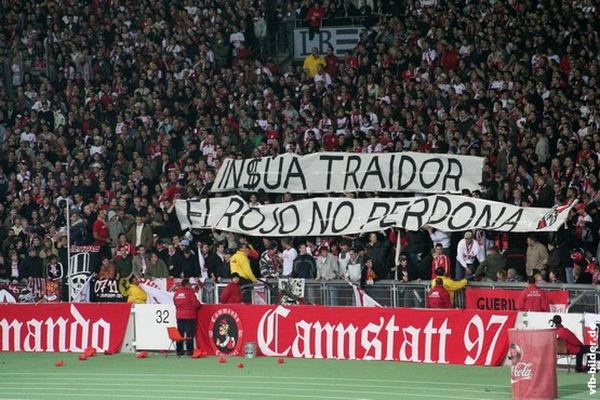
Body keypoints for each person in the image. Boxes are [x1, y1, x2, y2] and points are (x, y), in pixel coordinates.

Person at [173, 278, 201, 356]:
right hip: (189, 316)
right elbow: (195, 304)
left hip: (179, 316)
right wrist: (199, 305)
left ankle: (179, 351)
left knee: (180, 334)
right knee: (189, 334)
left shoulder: (177, 293)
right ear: (187, 285)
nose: (191, 286)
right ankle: (189, 351)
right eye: (190, 285)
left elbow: (175, 302)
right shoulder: (190, 293)